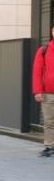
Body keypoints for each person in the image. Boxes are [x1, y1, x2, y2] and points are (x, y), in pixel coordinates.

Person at [32, 25, 54, 157]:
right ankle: (49, 146)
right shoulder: (44, 50)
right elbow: (37, 72)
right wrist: (38, 91)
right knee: (49, 121)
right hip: (48, 93)